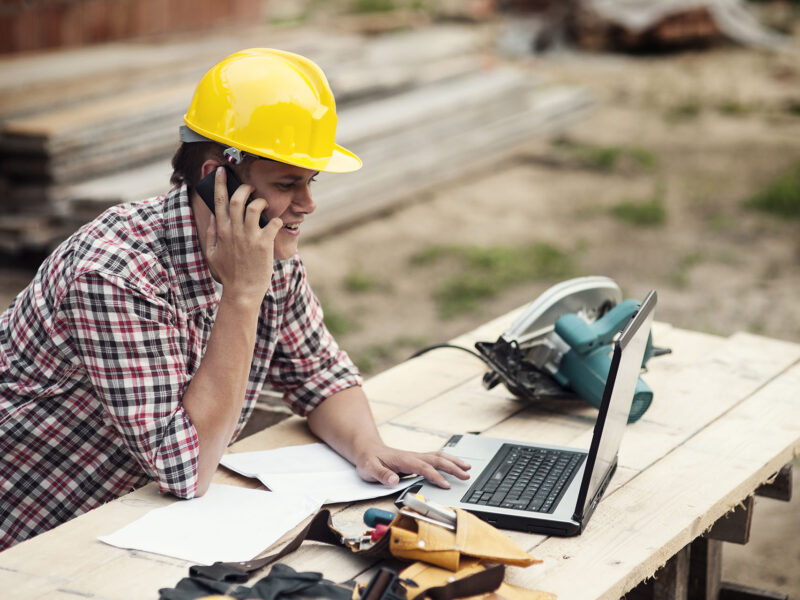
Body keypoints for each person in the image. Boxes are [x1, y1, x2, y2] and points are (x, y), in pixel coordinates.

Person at [0, 48, 470, 551]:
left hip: (132, 510)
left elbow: (318, 373)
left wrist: (368, 447)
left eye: (311, 181)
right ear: (215, 176)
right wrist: (242, 295)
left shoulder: (267, 251)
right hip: (37, 528)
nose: (308, 204)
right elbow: (185, 469)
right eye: (288, 183)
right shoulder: (115, 274)